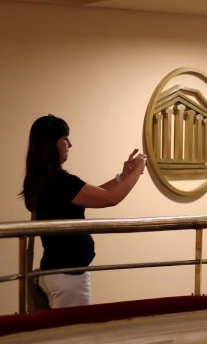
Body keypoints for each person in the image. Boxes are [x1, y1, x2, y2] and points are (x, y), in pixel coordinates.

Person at [20, 114, 147, 308]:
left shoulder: (45, 180)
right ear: (50, 145)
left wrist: (123, 176)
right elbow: (110, 198)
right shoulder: (60, 181)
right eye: (64, 139)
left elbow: (92, 194)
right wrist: (138, 170)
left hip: (53, 272)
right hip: (68, 277)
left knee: (61, 333)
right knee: (73, 336)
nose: (69, 144)